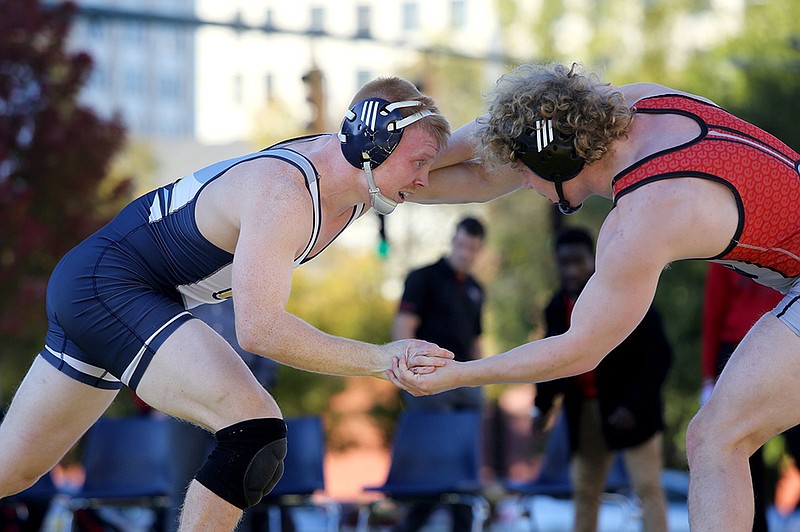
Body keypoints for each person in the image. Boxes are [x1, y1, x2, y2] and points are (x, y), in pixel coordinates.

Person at [0, 76, 454, 532]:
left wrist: (520, 123)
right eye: (418, 162)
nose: (424, 179)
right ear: (371, 145)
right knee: (253, 431)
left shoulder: (356, 175)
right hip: (111, 288)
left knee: (13, 470)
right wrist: (381, 359)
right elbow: (260, 330)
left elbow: (478, 164)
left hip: (104, 287)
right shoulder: (286, 192)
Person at [390, 61, 800, 531]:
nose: (520, 183)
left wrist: (461, 374)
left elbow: (578, 350)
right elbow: (494, 148)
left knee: (715, 439)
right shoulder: (640, 104)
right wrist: (392, 176)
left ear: (554, 160)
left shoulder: (644, 217)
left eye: (525, 172)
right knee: (719, 437)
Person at [533, 226, 671, 532]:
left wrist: (632, 406)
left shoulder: (624, 293)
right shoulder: (557, 307)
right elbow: (550, 359)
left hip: (632, 410)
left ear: (592, 260)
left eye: (578, 261)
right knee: (584, 490)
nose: (571, 270)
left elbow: (658, 357)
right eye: (564, 263)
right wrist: (541, 407)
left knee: (648, 488)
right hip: (584, 409)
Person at [392, 215, 487, 531]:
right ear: (453, 241)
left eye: (472, 248)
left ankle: (464, 525)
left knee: (463, 470)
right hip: (431, 383)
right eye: (461, 244)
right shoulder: (424, 278)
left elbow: (475, 341)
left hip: (466, 385)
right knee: (431, 470)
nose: (465, 253)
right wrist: (407, 374)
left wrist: (482, 378)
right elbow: (404, 327)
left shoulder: (475, 289)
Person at [701, 262, 800, 531]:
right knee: (738, 454)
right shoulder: (727, 242)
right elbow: (713, 312)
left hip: (788, 345)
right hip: (735, 351)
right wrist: (709, 378)